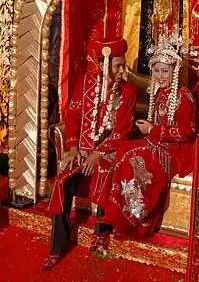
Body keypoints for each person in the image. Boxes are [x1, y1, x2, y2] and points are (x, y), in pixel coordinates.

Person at [42, 24, 136, 271]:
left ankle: (101, 232)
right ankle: (56, 247)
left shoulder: (127, 91)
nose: (122, 70)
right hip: (81, 150)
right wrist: (72, 147)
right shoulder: (86, 82)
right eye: (117, 65)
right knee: (62, 181)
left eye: (122, 64)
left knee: (105, 170)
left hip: (108, 151)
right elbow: (72, 117)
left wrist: (99, 152)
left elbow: (123, 130)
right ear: (104, 65)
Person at [90, 33, 197, 249]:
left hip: (174, 152)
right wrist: (148, 127)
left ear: (174, 72)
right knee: (122, 149)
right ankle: (116, 214)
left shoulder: (184, 96)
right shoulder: (159, 94)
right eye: (156, 71)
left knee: (131, 155)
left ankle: (136, 217)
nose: (159, 75)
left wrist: (153, 129)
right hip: (156, 143)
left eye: (164, 71)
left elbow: (187, 132)